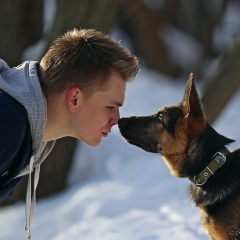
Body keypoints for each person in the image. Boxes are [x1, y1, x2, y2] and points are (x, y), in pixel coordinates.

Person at [0, 28, 139, 239]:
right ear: (74, 98)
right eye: (110, 107)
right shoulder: (8, 121)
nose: (117, 120)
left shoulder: (21, 123)